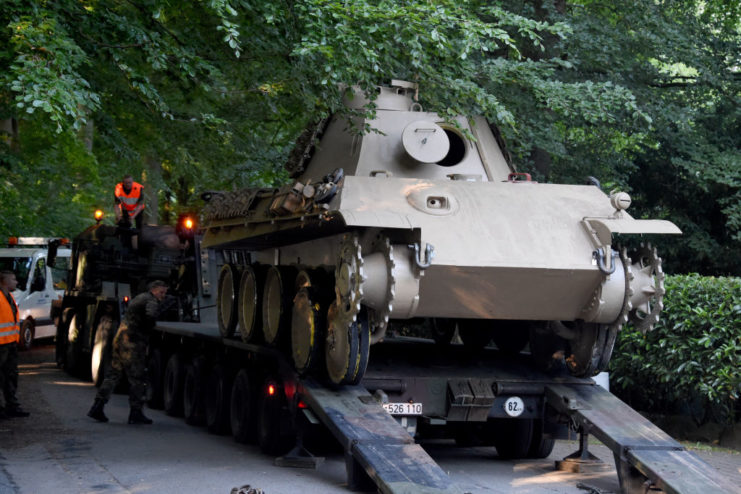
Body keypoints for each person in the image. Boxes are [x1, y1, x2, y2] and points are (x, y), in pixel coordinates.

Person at [87, 280, 168, 424]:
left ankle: (97, 406)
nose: (163, 295)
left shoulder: (140, 297)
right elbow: (150, 316)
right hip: (132, 343)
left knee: (113, 374)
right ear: (154, 290)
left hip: (121, 339)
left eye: (165, 293)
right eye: (161, 292)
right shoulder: (151, 301)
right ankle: (135, 412)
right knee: (137, 378)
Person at [0, 270, 30, 419]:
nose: (16, 282)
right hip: (1, 345)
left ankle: (12, 406)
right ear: (4, 281)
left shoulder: (9, 297)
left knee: (11, 376)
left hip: (9, 344)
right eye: (13, 279)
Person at [114, 175, 145, 249]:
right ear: (123, 183)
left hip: (138, 210)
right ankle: (124, 246)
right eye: (126, 183)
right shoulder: (119, 189)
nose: (128, 184)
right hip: (125, 209)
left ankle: (140, 248)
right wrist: (118, 215)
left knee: (140, 229)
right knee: (123, 226)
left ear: (132, 182)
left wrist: (133, 216)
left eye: (130, 182)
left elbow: (140, 205)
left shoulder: (139, 188)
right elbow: (116, 204)